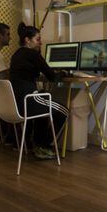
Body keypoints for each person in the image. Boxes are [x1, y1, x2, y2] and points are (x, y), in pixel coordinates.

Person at [10, 22, 68, 160]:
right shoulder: (32, 54)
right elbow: (53, 77)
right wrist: (65, 73)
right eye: (38, 39)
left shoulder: (16, 54)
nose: (41, 43)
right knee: (63, 111)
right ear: (27, 40)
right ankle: (43, 146)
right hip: (28, 101)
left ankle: (38, 144)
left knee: (44, 100)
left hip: (16, 104)